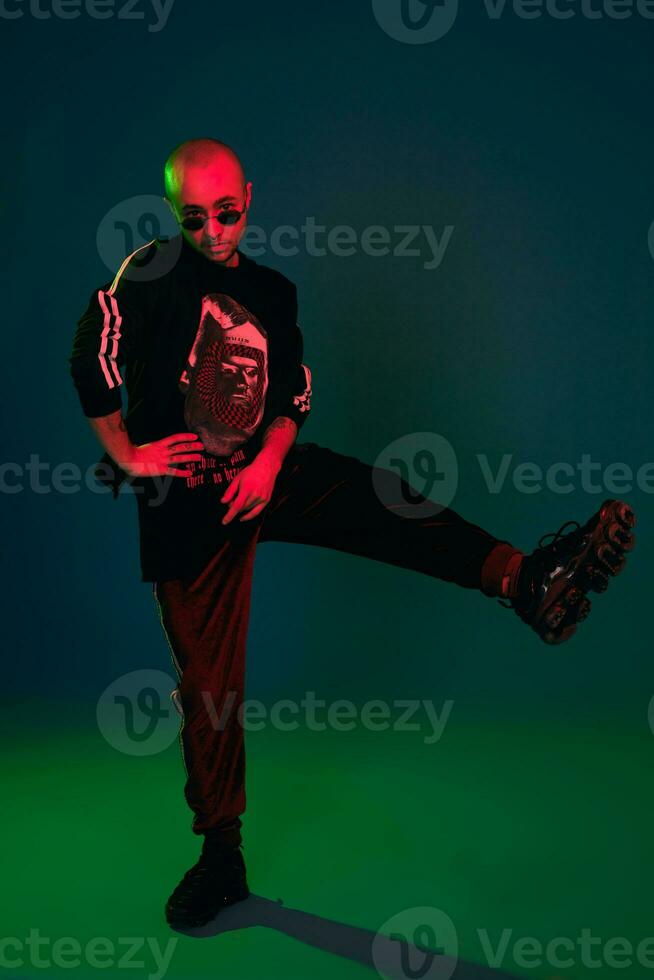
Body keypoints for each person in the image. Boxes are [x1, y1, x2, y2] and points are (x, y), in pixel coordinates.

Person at [68, 137, 636, 931]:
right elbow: (93, 349)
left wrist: (269, 457)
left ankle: (524, 580)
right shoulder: (154, 272)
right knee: (208, 688)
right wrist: (127, 455)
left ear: (249, 200)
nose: (214, 230)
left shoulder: (270, 290)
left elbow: (293, 384)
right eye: (195, 217)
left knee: (382, 501)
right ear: (175, 213)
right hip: (186, 505)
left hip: (264, 475)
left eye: (227, 212)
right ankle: (221, 855)